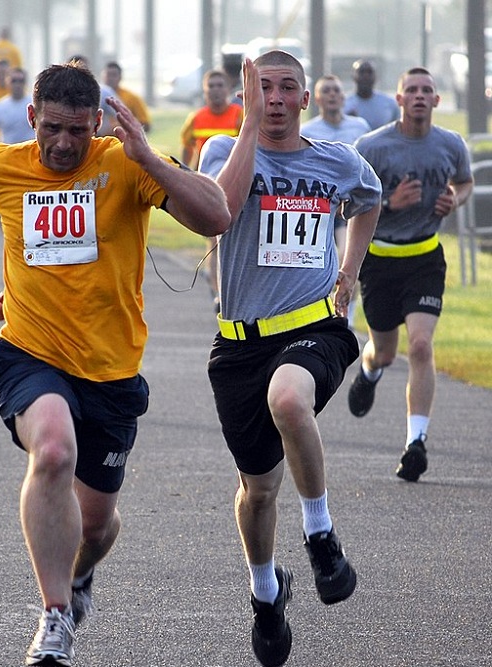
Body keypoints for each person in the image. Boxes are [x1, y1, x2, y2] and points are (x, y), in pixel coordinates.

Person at [0, 61, 231, 666]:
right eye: (52, 128)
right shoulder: (1, 164)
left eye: (78, 131)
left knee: (97, 526)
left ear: (97, 123)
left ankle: (78, 578)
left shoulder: (125, 162)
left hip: (111, 370)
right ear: (31, 118)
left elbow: (215, 218)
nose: (63, 143)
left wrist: (151, 160)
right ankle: (54, 621)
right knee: (53, 451)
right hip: (30, 352)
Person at [198, 51, 381, 667]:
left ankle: (322, 533)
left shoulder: (337, 162)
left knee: (289, 397)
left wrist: (349, 269)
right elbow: (218, 212)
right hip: (239, 344)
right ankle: (266, 594)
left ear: (305, 99)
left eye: (286, 89)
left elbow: (370, 199)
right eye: (262, 88)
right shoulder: (223, 152)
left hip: (314, 329)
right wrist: (247, 125)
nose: (274, 98)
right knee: (257, 492)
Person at [348, 67, 473, 482]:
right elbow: (351, 200)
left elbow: (466, 181)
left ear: (437, 101)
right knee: (385, 351)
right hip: (381, 260)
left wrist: (456, 199)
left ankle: (415, 444)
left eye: (427, 91)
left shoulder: (450, 144)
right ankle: (369, 372)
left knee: (420, 346)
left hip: (425, 257)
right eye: (411, 91)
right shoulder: (373, 146)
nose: (420, 96)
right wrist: (390, 202)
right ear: (398, 100)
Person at [302, 75, 372, 327]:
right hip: (317, 206)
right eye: (326, 91)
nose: (332, 95)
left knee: (346, 255)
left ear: (344, 96)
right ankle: (316, 313)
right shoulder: (307, 131)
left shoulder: (359, 127)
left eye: (336, 90)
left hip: (348, 205)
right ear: (316, 98)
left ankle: (347, 315)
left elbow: (368, 167)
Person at [180, 69, 244, 311]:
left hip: (236, 185)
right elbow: (187, 150)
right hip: (208, 188)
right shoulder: (196, 119)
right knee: (214, 240)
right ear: (205, 91)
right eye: (211, 86)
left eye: (220, 86)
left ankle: (232, 287)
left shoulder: (239, 115)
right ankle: (219, 295)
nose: (216, 91)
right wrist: (188, 176)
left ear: (228, 90)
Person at [0, 67, 35, 146]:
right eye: (14, 81)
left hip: (31, 154)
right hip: (8, 154)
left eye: (21, 81)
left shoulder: (35, 104)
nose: (17, 85)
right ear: (7, 82)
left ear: (25, 82)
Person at [344, 59, 399, 130]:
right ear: (353, 76)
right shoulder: (344, 104)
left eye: (369, 72)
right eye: (361, 72)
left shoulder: (390, 104)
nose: (365, 76)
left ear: (376, 77)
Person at [103, 61, 150, 132]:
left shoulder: (132, 97)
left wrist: (127, 128)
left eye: (114, 75)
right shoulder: (97, 97)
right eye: (108, 75)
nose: (110, 78)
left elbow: (146, 124)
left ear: (120, 77)